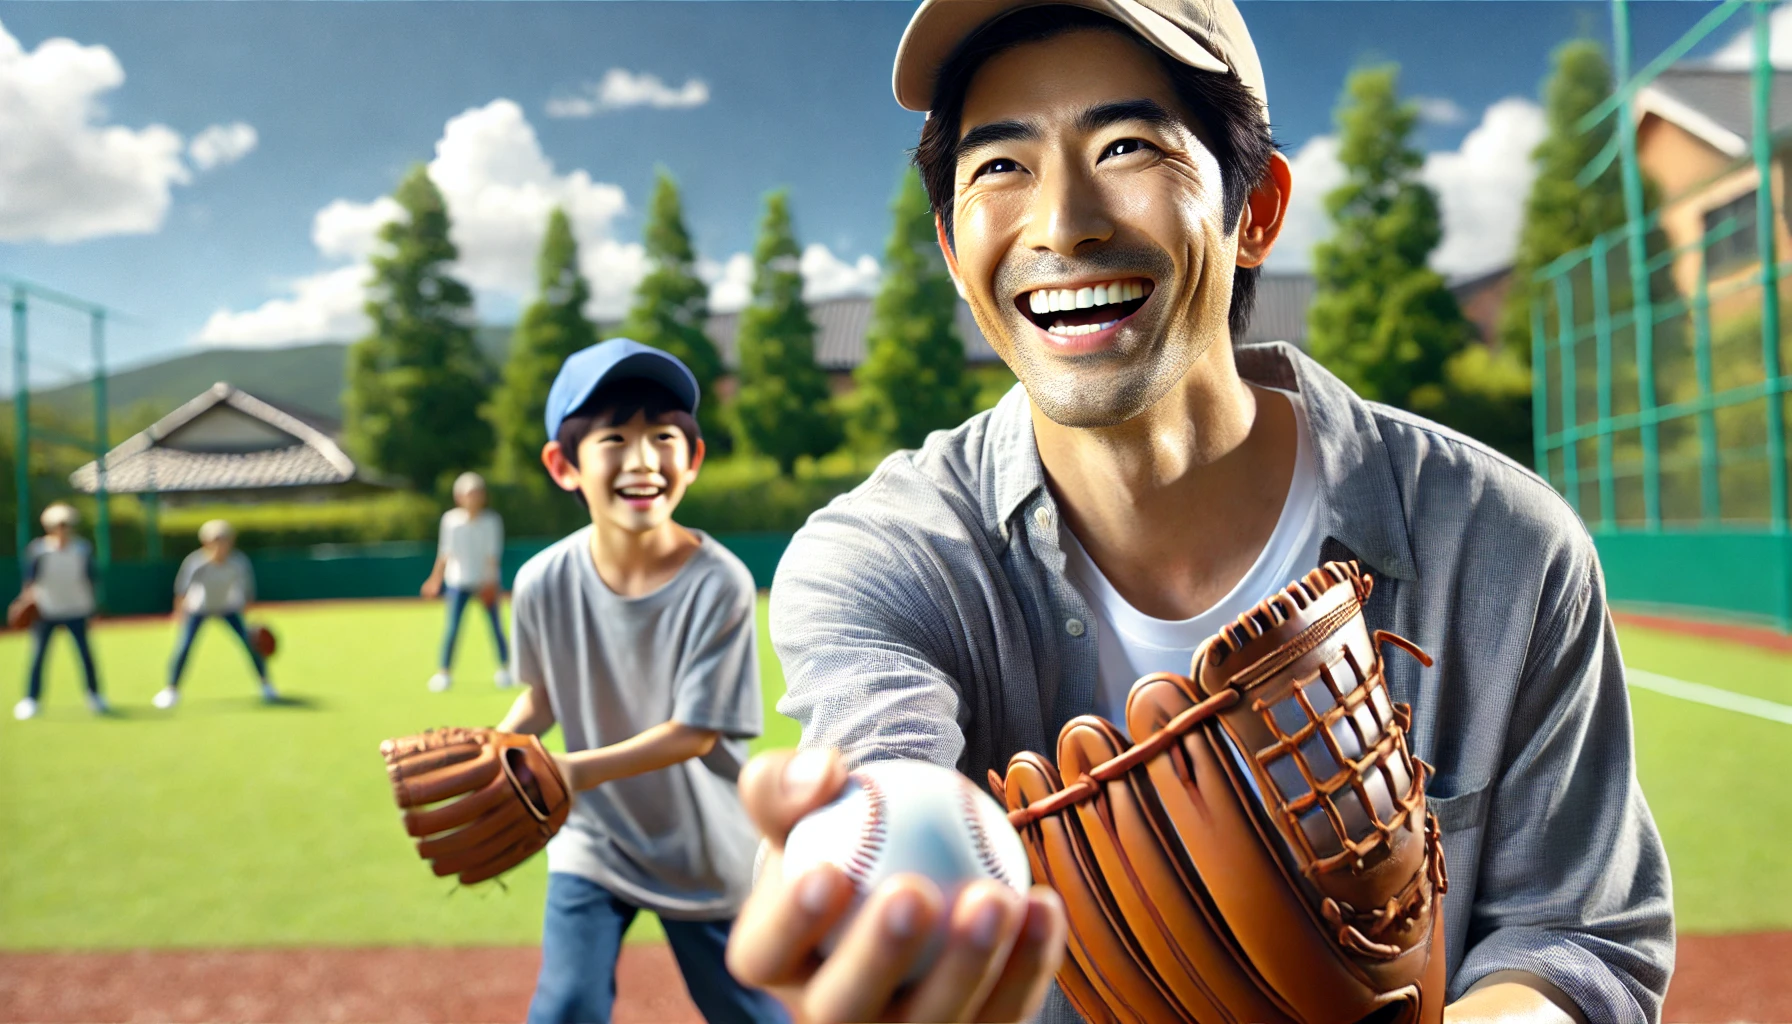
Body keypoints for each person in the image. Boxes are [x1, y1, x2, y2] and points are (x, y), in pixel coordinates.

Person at [725, 3, 1674, 1024]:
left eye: (1127, 145)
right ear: (955, 253)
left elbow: (1574, 930)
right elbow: (890, 772)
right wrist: (882, 911)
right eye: (1000, 167)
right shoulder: (876, 558)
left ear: (1255, 208)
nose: (1061, 223)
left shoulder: (1502, 544)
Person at [497, 338, 789, 1024]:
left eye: (662, 436)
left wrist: (567, 771)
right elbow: (544, 696)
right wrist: (497, 746)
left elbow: (696, 731)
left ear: (692, 458)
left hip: (698, 838)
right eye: (613, 439)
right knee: (565, 1005)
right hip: (594, 836)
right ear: (563, 465)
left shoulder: (719, 582)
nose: (641, 460)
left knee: (745, 1011)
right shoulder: (542, 581)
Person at [157, 519, 277, 708]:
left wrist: (250, 618)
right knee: (184, 647)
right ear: (205, 542)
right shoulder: (196, 562)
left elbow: (246, 591)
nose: (220, 544)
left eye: (225, 539)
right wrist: (179, 614)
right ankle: (171, 690)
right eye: (216, 539)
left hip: (228, 608)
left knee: (250, 643)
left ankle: (266, 686)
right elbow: (181, 591)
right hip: (199, 609)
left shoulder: (238, 562)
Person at [13, 503, 106, 720]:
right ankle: (31, 699)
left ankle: (94, 696)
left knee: (85, 655)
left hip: (77, 609)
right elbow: (30, 581)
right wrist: (23, 603)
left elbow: (91, 580)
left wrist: (93, 608)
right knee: (38, 656)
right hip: (47, 609)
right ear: (49, 527)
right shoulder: (39, 551)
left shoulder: (82, 550)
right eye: (59, 525)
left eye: (67, 525)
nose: (64, 529)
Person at [421, 470, 511, 692]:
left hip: (485, 582)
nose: (473, 498)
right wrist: (434, 580)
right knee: (452, 629)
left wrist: (491, 583)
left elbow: (493, 555)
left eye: (477, 493)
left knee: (496, 628)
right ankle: (444, 673)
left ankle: (506, 669)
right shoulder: (450, 521)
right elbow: (444, 553)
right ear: (459, 496)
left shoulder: (492, 521)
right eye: (468, 493)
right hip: (458, 582)